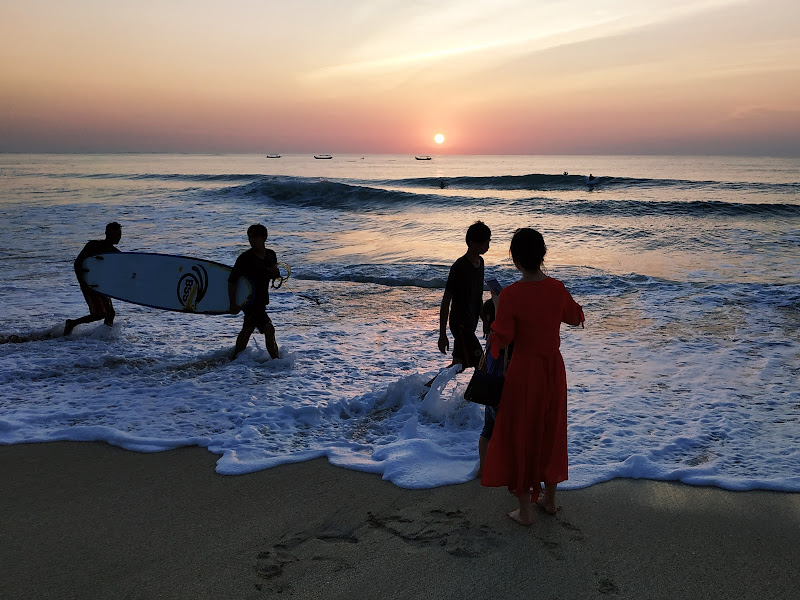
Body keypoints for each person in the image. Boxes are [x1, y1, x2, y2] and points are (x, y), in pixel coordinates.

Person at [481, 228, 584, 526]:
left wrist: (498, 310)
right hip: (553, 370)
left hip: (524, 372)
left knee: (522, 434)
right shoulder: (557, 287)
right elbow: (576, 317)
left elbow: (502, 338)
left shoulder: (511, 295)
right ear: (543, 255)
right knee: (551, 431)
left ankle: (525, 511)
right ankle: (550, 501)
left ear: (515, 259)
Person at [437, 221, 491, 371]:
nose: (488, 246)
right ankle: (475, 395)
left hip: (470, 323)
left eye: (489, 242)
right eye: (485, 242)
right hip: (461, 326)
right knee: (483, 365)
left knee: (458, 364)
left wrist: (483, 321)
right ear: (472, 243)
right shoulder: (459, 267)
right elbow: (446, 301)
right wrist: (442, 335)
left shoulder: (480, 263)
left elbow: (477, 295)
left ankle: (423, 392)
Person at [228, 223, 281, 359]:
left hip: (261, 300)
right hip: (249, 301)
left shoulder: (271, 255)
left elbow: (274, 275)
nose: (251, 241)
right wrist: (233, 303)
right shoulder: (245, 258)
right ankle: (277, 362)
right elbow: (232, 280)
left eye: (254, 237)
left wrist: (275, 273)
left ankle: (234, 359)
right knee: (269, 329)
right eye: (249, 238)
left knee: (247, 329)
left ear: (264, 238)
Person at [64, 222, 122, 335]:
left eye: (120, 234)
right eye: (117, 234)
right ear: (107, 233)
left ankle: (104, 337)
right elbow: (78, 263)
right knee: (99, 314)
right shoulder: (93, 245)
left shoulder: (116, 254)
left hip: (102, 285)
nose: (119, 237)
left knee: (110, 313)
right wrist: (84, 282)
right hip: (89, 283)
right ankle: (71, 324)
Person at [476, 298, 512, 477]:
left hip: (489, 392)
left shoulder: (490, 337)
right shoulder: (502, 340)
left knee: (487, 432)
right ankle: (506, 470)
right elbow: (506, 370)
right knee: (508, 435)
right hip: (501, 393)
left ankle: (483, 468)